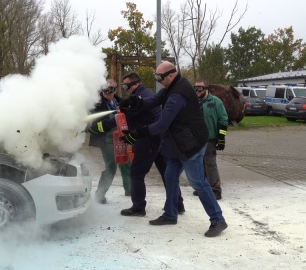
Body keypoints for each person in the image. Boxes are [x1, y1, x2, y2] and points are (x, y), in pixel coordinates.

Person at [119, 61, 228, 237]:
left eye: (159, 77)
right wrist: (136, 101)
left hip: (191, 145)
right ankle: (170, 214)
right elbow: (154, 100)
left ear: (170, 75)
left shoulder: (178, 94)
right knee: (170, 176)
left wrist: (139, 133)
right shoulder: (172, 86)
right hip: (179, 144)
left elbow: (162, 125)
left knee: (198, 182)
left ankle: (218, 219)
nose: (158, 80)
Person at [89, 73, 184, 216]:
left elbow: (124, 118)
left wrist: (98, 127)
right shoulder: (144, 94)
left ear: (135, 84)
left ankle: (138, 208)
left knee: (136, 172)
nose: (125, 89)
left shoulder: (140, 98)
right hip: (157, 139)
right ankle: (178, 204)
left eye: (126, 86)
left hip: (147, 140)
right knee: (166, 173)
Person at [88, 79, 131, 204]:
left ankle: (129, 189)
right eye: (104, 89)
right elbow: (94, 126)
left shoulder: (120, 102)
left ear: (115, 90)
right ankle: (100, 195)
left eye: (110, 89)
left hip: (121, 137)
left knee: (125, 163)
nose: (107, 91)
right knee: (111, 166)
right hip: (106, 139)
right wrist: (112, 122)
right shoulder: (97, 104)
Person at [193, 79, 228, 200]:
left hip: (210, 139)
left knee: (210, 163)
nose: (197, 90)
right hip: (196, 139)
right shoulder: (194, 102)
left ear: (206, 89)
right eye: (195, 88)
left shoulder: (215, 102)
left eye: (200, 88)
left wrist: (221, 137)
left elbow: (223, 119)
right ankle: (203, 188)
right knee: (198, 163)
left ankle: (216, 189)